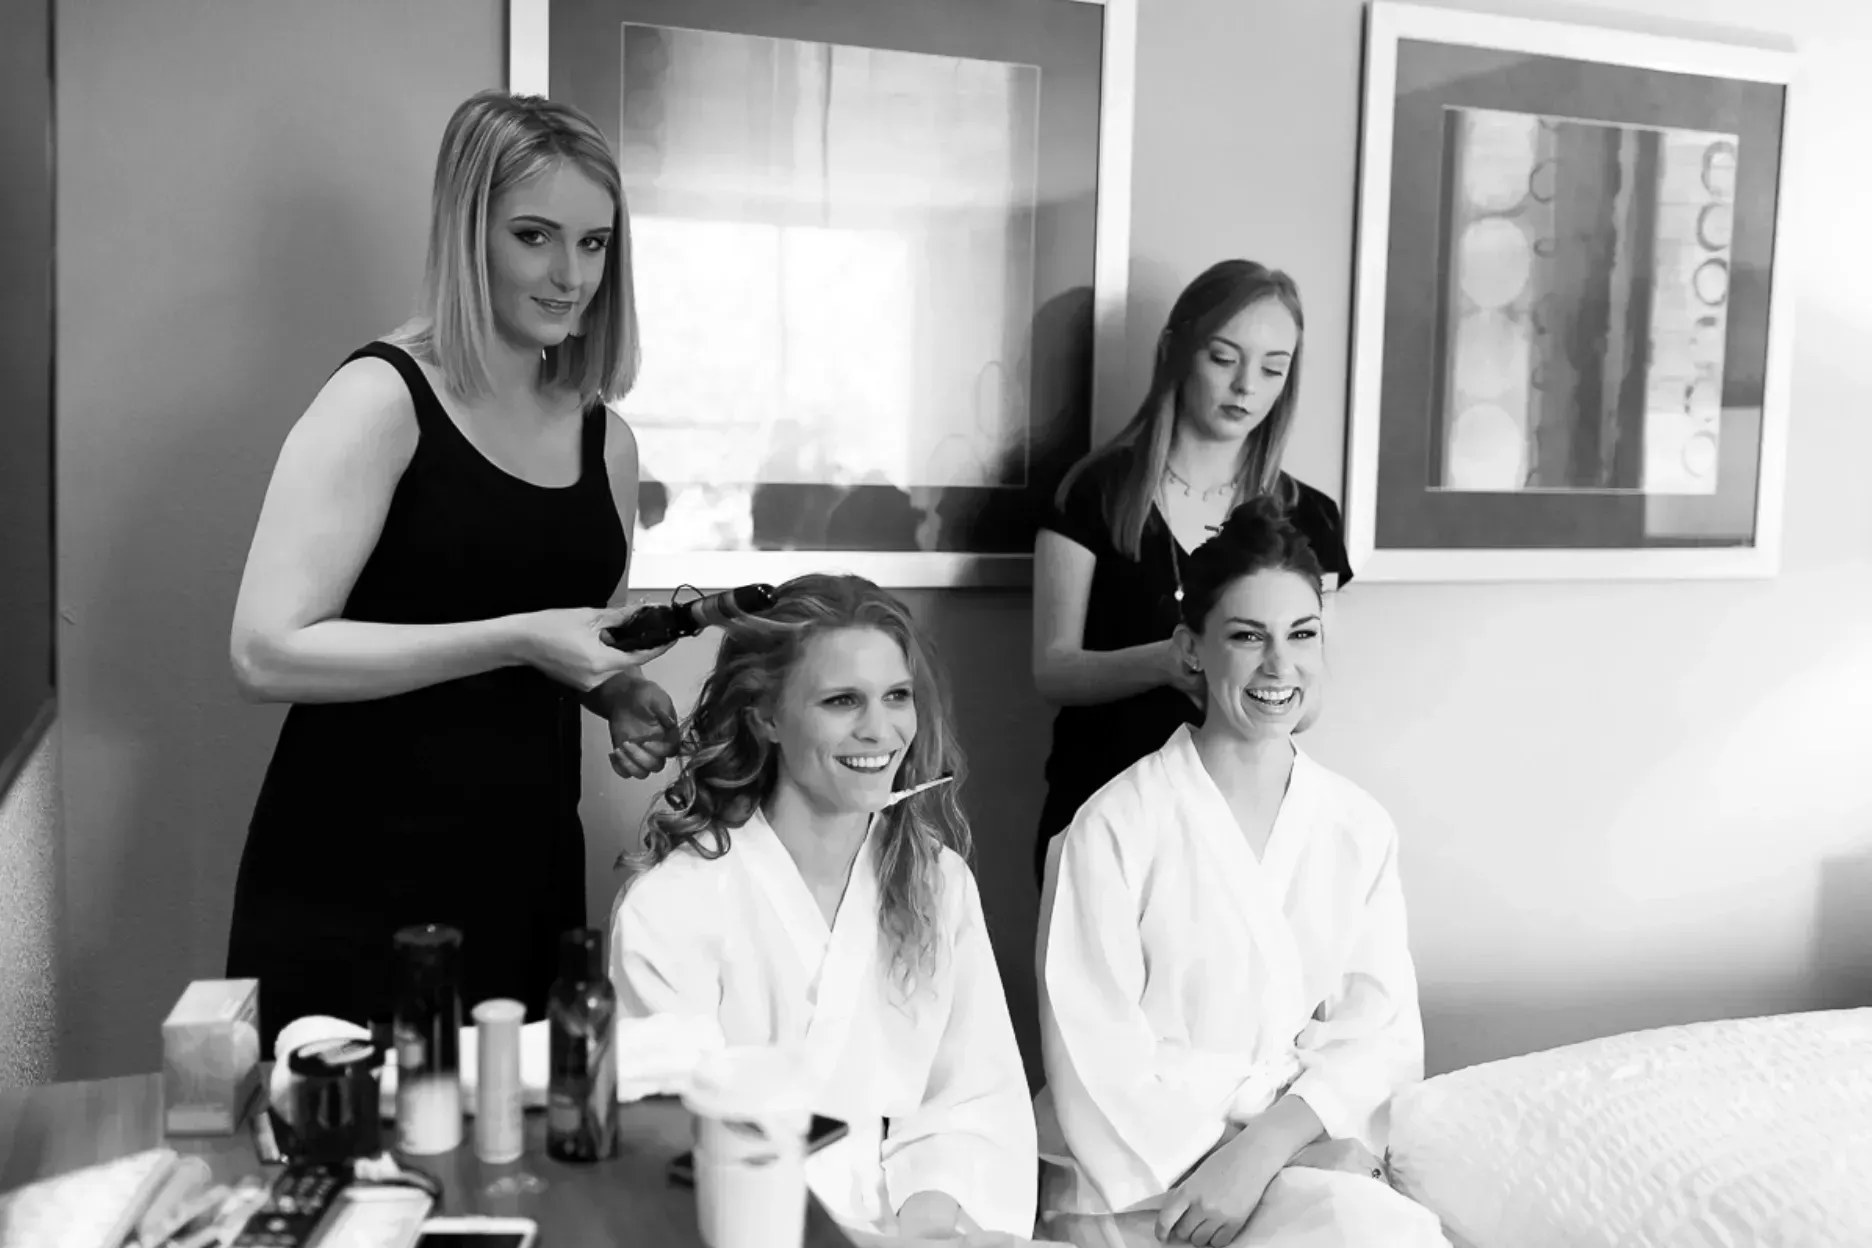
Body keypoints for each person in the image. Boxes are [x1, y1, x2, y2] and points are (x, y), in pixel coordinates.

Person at [225, 91, 680, 1052]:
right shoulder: (379, 399)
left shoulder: (609, 443)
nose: (570, 276)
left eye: (595, 244)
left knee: (516, 1176)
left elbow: (570, 639)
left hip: (526, 865)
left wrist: (619, 691)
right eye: (535, 236)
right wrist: (515, 636)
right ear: (469, 232)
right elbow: (265, 653)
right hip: (354, 868)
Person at [1034, 500, 1449, 1248]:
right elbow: (1095, 1058)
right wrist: (1232, 1169)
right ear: (1193, 651)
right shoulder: (1114, 827)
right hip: (1152, 1183)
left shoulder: (1358, 828)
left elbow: (1381, 1036)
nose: (1279, 666)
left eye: (1301, 635)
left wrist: (1266, 1151)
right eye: (1247, 637)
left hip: (1305, 1156)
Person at [611, 574, 1037, 1240]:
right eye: (842, 701)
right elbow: (671, 1144)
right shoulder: (675, 904)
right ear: (767, 717)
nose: (880, 730)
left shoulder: (937, 882)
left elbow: (974, 1103)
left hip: (911, 1222)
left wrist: (920, 1227)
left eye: (897, 696)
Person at [1030, 260, 1354, 887]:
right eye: (1224, 358)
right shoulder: (1093, 494)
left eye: (1272, 368)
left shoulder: (1309, 516)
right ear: (1177, 351)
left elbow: (1309, 696)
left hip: (1246, 820)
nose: (1246, 387)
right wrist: (1167, 660)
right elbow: (1053, 668)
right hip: (1102, 803)